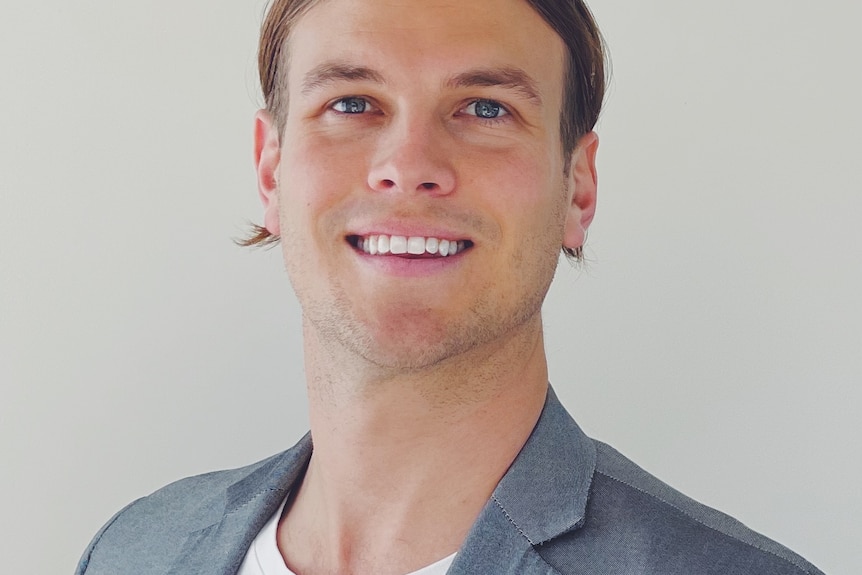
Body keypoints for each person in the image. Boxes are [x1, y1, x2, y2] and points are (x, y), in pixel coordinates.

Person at [76, 0, 826, 574]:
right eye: (351, 103)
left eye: (485, 108)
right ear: (271, 171)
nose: (408, 163)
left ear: (579, 187)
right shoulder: (133, 548)